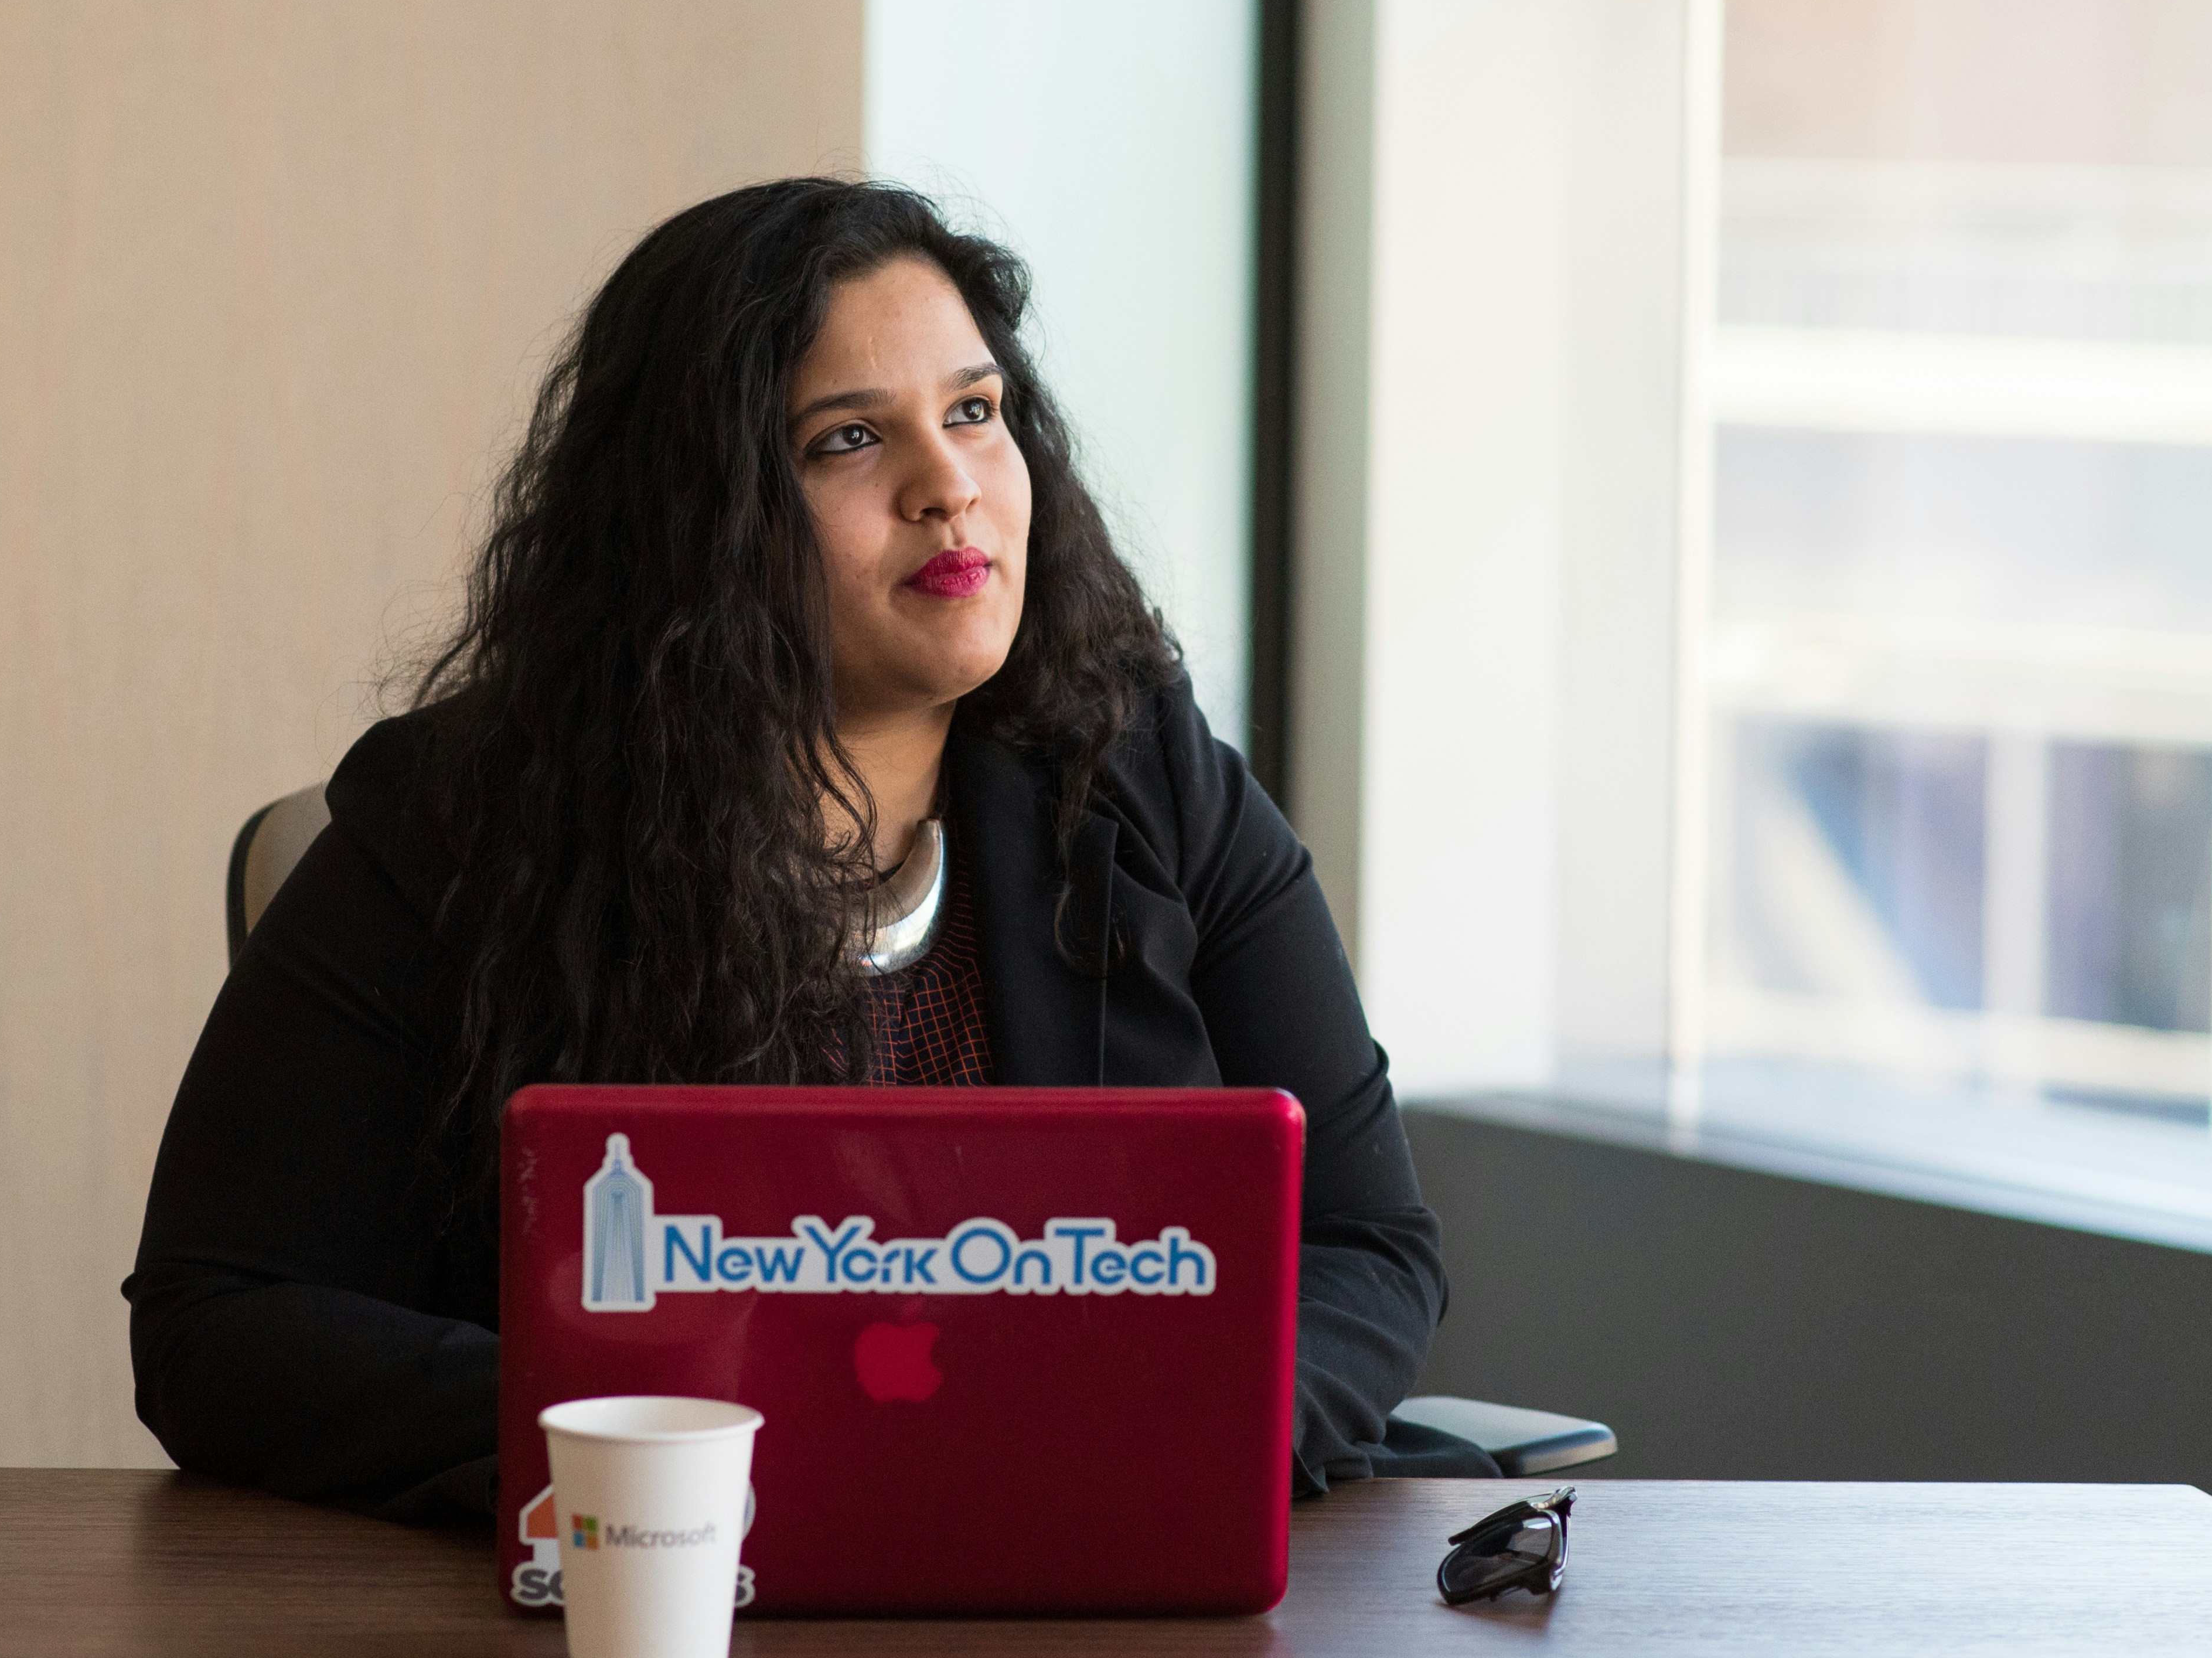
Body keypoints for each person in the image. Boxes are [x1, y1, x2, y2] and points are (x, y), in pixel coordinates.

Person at [125, 178, 1473, 1519]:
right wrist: (655, 1444)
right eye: (845, 441)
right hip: (649, 1618)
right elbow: (217, 1317)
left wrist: (1159, 1427)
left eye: (973, 412)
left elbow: (1362, 1243)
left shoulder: (1148, 781)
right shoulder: (466, 824)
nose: (947, 487)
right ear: (694, 518)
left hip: (1098, 1593)